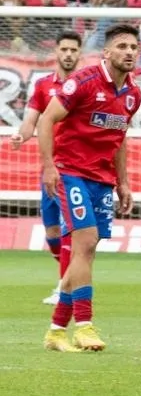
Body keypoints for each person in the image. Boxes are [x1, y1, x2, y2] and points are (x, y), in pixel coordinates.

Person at [37, 24, 141, 354]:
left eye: (134, 47)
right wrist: (50, 167)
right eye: (122, 46)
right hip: (71, 173)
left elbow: (120, 139)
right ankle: (84, 325)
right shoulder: (82, 82)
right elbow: (46, 120)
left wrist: (123, 181)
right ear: (106, 53)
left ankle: (56, 331)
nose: (129, 52)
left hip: (102, 179)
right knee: (84, 243)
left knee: (86, 251)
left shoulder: (133, 95)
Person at [8, 31, 83, 310]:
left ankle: (64, 288)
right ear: (56, 52)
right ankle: (72, 275)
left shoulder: (85, 85)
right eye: (64, 49)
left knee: (67, 230)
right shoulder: (42, 86)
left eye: (73, 50)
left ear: (80, 53)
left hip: (75, 167)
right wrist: (21, 135)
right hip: (50, 168)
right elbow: (31, 121)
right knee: (51, 232)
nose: (68, 54)